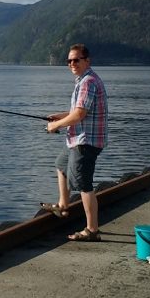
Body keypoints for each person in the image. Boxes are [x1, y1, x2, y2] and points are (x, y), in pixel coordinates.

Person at [43, 44, 108, 241]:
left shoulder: (88, 82)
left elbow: (79, 114)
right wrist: (60, 117)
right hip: (77, 139)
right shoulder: (83, 81)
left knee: (83, 184)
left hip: (86, 140)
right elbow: (78, 111)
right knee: (61, 164)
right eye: (69, 60)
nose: (72, 63)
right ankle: (63, 206)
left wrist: (56, 126)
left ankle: (92, 230)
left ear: (87, 61)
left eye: (76, 60)